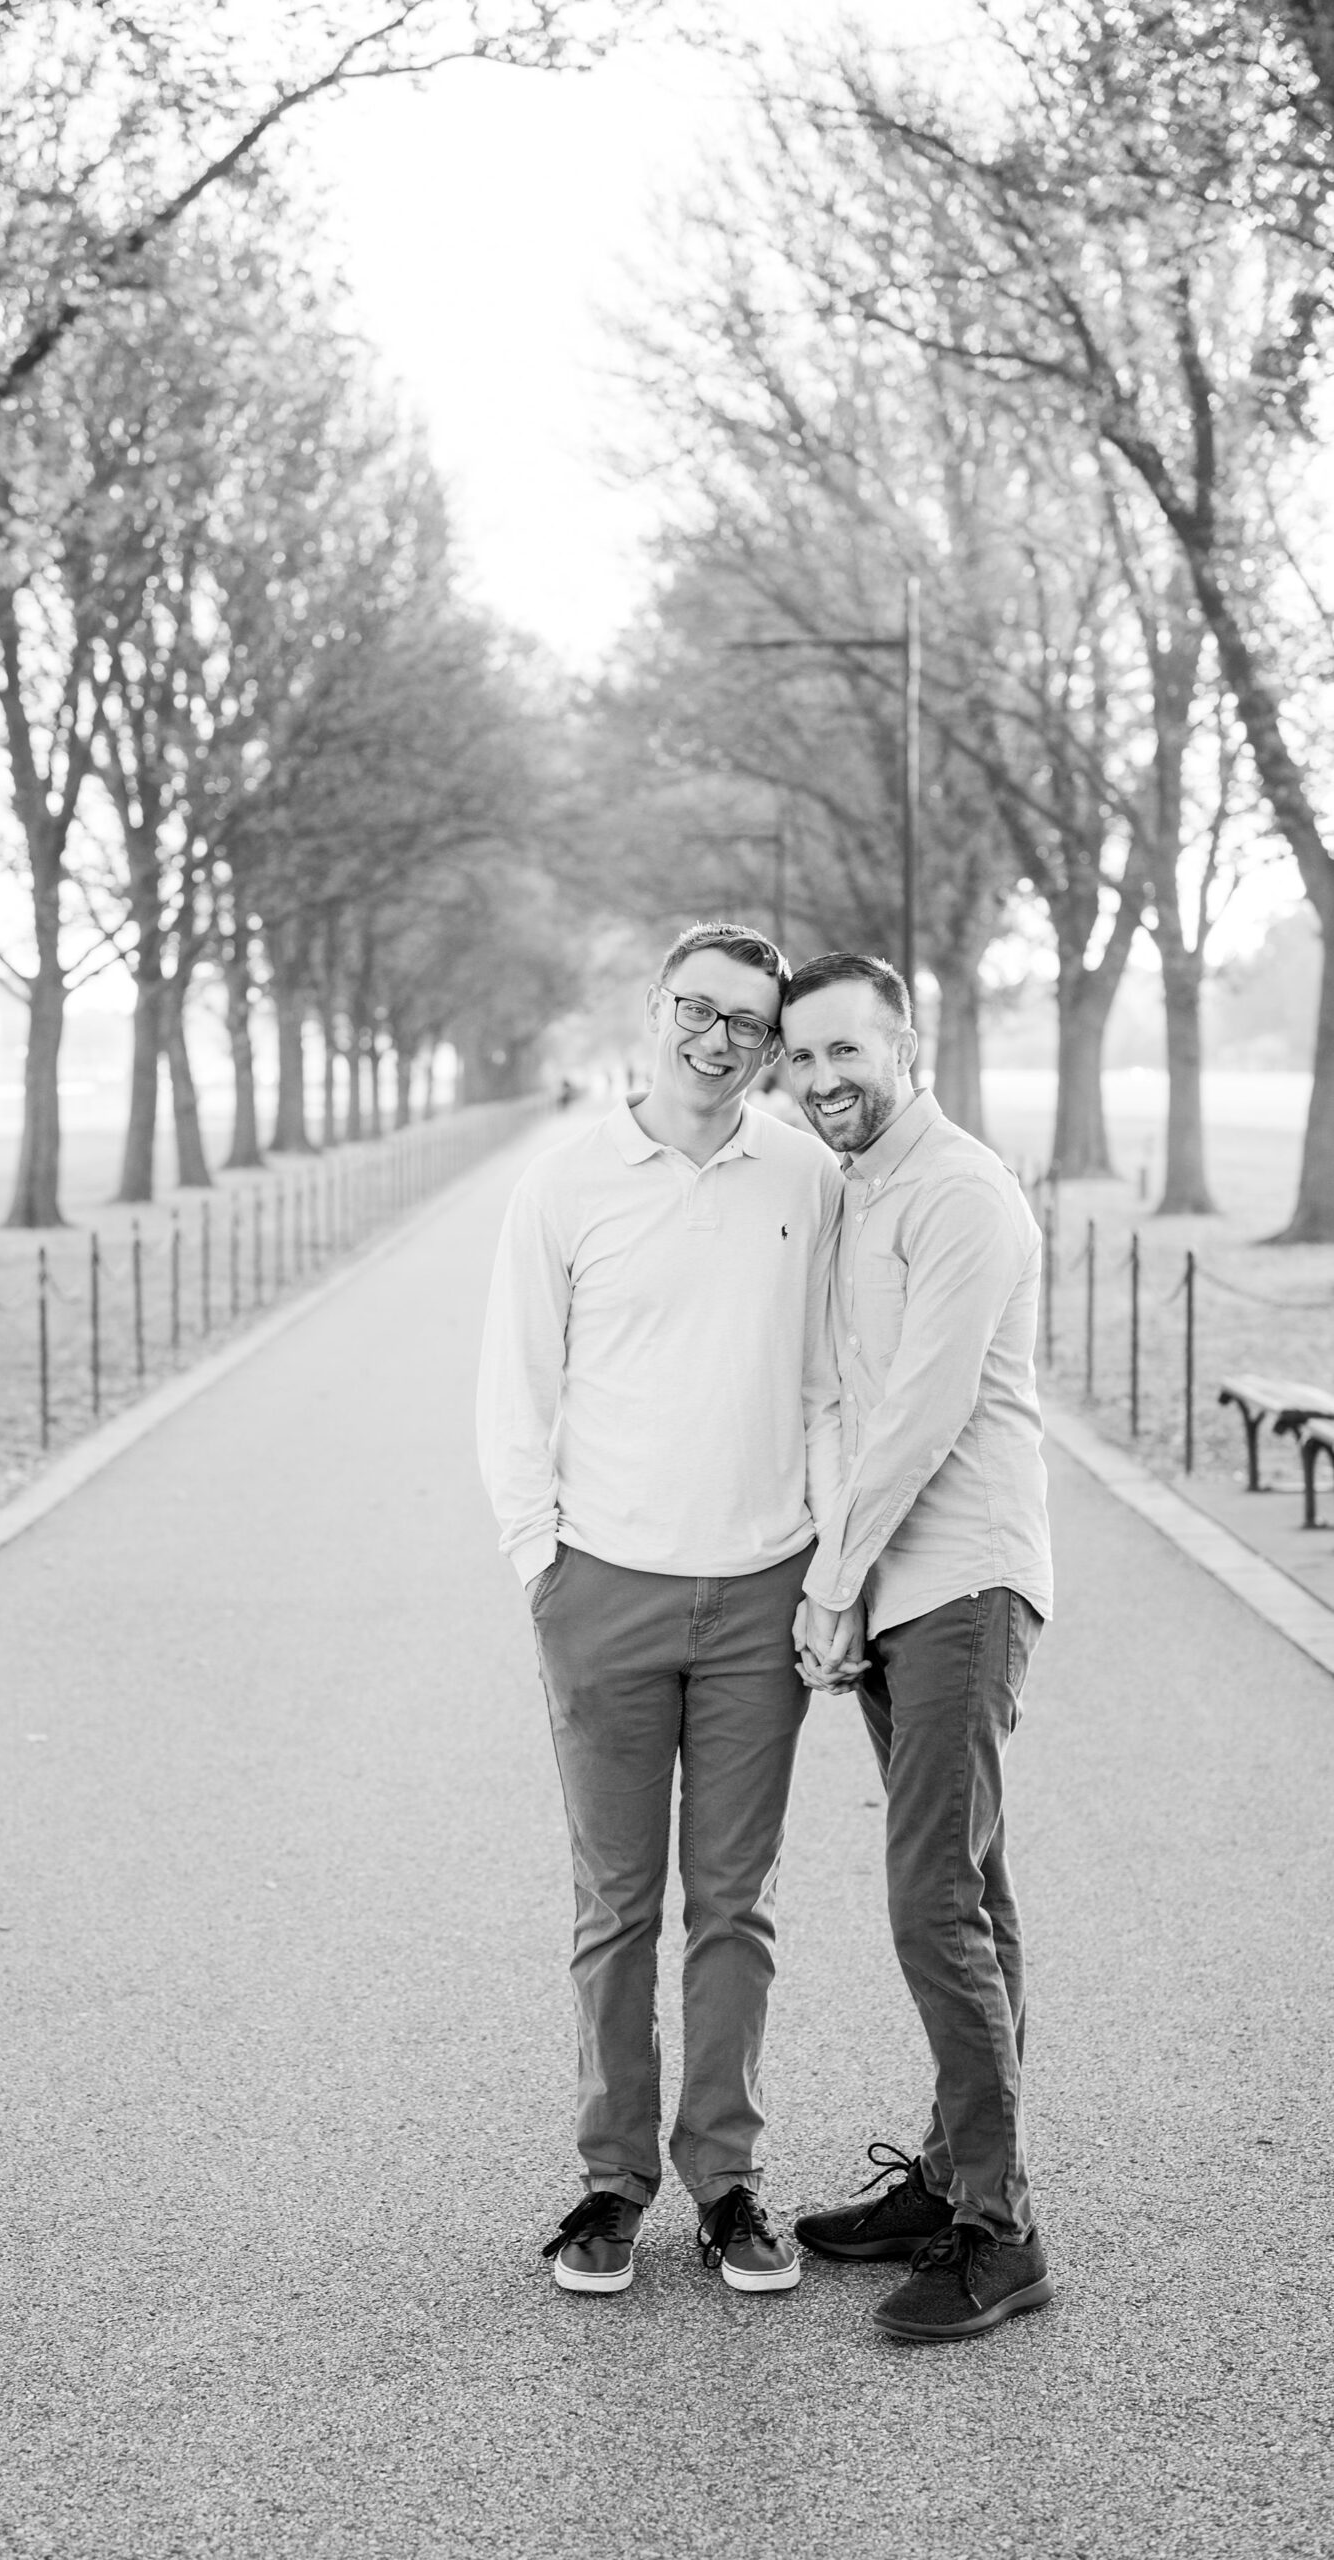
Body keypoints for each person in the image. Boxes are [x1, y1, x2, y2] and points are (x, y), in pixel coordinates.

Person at [477, 921, 843, 2297]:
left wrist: (827, 1572)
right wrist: (542, 1569)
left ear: (770, 1045)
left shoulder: (805, 1174)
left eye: (748, 1023)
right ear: (654, 1012)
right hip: (605, 1591)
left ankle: (729, 2182)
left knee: (734, 1905)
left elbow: (825, 1385)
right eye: (698, 1010)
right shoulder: (565, 1185)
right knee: (616, 1907)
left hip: (761, 1592)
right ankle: (612, 2184)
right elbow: (516, 1388)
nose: (718, 1039)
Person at [778, 952, 1054, 2344]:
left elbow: (925, 1413)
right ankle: (953, 2176)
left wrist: (831, 1586)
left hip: (961, 1582)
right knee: (973, 1891)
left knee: (932, 1901)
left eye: (848, 1052)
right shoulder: (852, 1186)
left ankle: (999, 2236)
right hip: (897, 1589)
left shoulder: (957, 1192)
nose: (824, 1079)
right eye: (802, 1056)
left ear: (908, 1044)